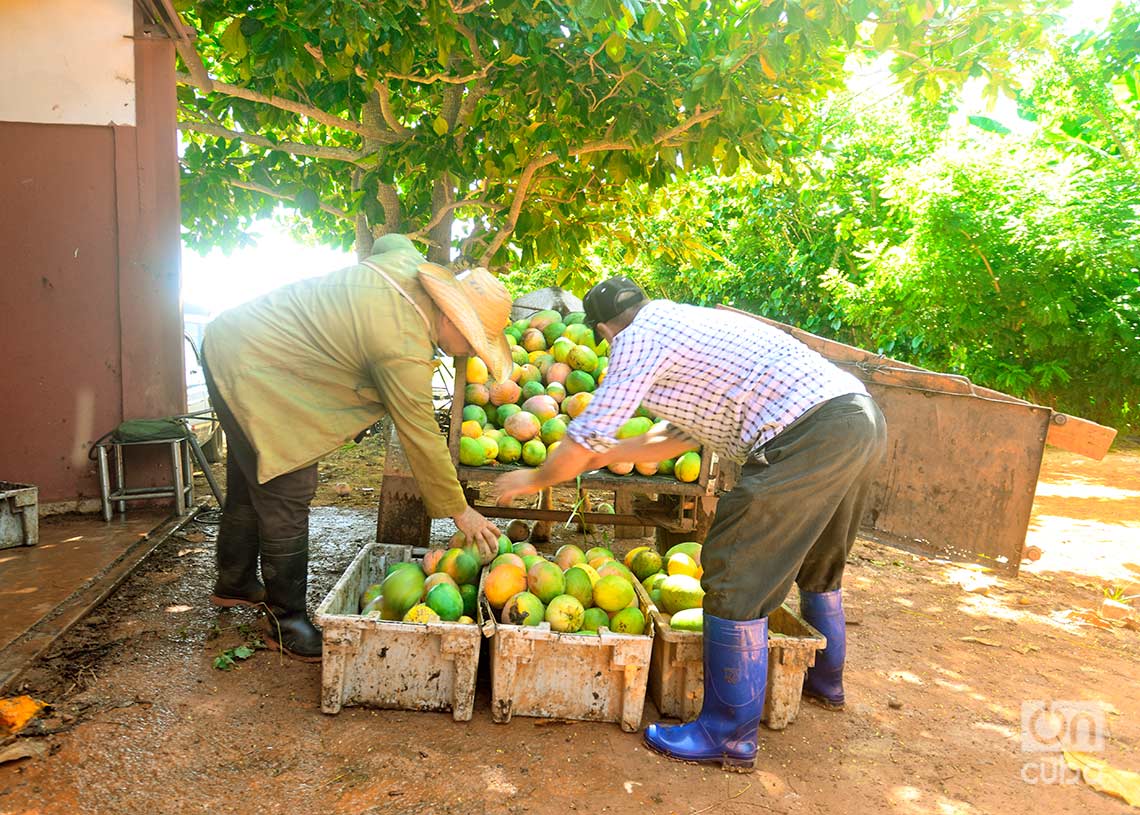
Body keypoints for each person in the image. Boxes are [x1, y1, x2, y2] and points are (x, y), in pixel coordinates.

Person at [493, 277, 887, 771]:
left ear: (603, 330)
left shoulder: (636, 338)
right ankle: (824, 681)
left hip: (807, 433)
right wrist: (612, 451)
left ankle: (728, 735)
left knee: (732, 565)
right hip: (857, 417)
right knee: (820, 560)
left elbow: (587, 436)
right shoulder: (684, 325)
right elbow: (672, 438)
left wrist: (532, 477)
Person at [202, 234, 508, 661]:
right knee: (286, 490)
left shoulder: (406, 263)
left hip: (232, 339)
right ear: (454, 319)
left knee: (250, 475)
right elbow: (420, 433)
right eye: (473, 344)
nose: (468, 355)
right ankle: (284, 621)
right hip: (255, 364)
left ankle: (234, 582)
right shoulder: (403, 347)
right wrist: (461, 510)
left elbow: (390, 240)